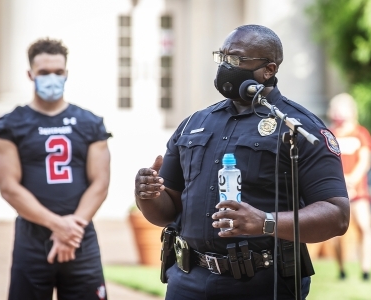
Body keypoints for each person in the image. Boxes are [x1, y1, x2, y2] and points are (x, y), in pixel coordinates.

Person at [135, 25, 350, 300]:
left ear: (269, 69)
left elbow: (337, 215)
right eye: (222, 57)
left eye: (235, 59)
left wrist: (265, 222)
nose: (226, 66)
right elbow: (166, 211)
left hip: (261, 283)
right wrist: (147, 195)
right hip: (188, 281)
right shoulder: (194, 124)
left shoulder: (299, 128)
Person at [0, 38, 111, 300]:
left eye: (58, 72)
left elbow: (100, 183)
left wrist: (71, 229)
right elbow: (9, 188)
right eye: (44, 73)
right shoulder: (10, 125)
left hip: (81, 237)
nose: (51, 78)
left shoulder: (89, 123)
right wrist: (59, 226)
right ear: (30, 74)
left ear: (67, 74)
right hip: (32, 239)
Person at [327, 93, 371, 281]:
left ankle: (366, 270)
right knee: (337, 232)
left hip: (358, 190)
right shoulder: (330, 134)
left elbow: (365, 162)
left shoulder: (361, 133)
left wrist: (352, 180)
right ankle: (341, 269)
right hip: (337, 189)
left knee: (364, 227)